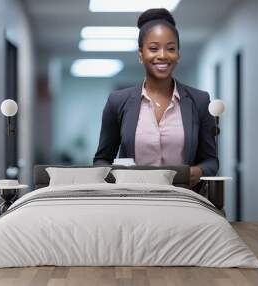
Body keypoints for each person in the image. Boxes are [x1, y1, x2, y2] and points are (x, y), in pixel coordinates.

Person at [93, 8, 218, 188]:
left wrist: (196, 172)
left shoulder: (199, 101)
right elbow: (101, 160)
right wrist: (118, 177)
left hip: (183, 201)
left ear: (178, 54)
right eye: (153, 48)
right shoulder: (117, 102)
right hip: (133, 200)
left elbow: (211, 162)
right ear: (140, 54)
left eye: (170, 48)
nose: (162, 55)